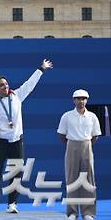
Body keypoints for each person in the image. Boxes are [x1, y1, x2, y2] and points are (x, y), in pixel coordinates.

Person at [0, 59, 53, 214]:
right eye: (1, 85)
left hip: (16, 141)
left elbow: (30, 84)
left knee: (16, 173)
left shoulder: (17, 96)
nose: (5, 86)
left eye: (6, 84)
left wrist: (41, 69)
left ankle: (12, 203)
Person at [57, 89, 101, 220]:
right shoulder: (67, 116)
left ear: (86, 100)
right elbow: (62, 135)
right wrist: (72, 146)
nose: (81, 101)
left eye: (83, 98)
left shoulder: (92, 116)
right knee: (72, 179)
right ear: (73, 100)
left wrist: (86, 145)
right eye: (78, 99)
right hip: (71, 146)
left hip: (87, 145)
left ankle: (88, 212)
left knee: (89, 180)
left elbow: (95, 135)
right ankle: (72, 212)